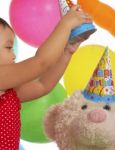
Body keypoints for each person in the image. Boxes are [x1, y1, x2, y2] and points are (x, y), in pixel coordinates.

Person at [0, 5, 92, 150]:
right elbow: (41, 62)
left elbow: (42, 85)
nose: (14, 54)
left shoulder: (7, 92)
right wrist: (65, 24)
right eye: (8, 47)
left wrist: (67, 52)